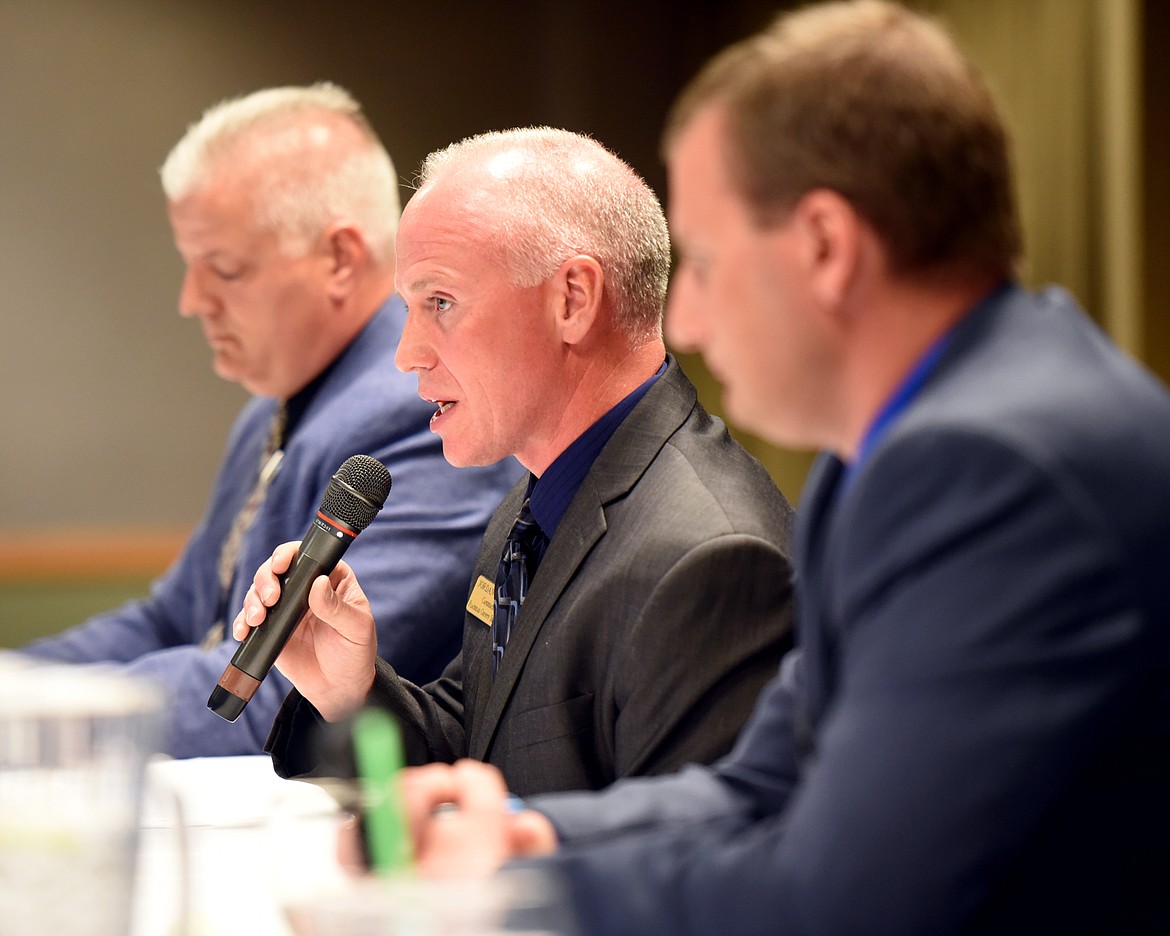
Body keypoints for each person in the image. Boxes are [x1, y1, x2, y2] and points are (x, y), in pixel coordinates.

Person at [395, 2, 1170, 933]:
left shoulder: (990, 470)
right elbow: (759, 786)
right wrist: (524, 837)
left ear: (826, 249)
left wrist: (513, 894)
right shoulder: (890, 453)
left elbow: (843, 898)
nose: (686, 325)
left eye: (709, 263)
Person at [243, 127, 796, 797]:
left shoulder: (709, 560)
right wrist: (351, 692)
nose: (407, 353)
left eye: (439, 302)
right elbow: (486, 748)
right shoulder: (541, 495)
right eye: (408, 309)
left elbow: (682, 870)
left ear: (572, 300)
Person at [22, 84, 522, 758]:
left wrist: (47, 717)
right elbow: (174, 617)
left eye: (222, 269)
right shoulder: (277, 400)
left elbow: (283, 696)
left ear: (339, 258)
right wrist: (21, 687)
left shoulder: (425, 408)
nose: (190, 300)